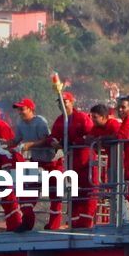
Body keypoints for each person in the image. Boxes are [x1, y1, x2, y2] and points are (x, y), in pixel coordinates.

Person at [38, 92, 95, 229]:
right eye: (59, 102)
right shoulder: (59, 120)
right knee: (74, 193)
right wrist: (54, 142)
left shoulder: (81, 118)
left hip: (86, 160)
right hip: (71, 162)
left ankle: (86, 222)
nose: (62, 104)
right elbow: (53, 136)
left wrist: (72, 142)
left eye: (65, 101)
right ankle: (75, 222)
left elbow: (91, 135)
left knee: (89, 191)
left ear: (72, 102)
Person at [9, 97, 62, 230]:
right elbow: (16, 140)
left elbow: (46, 140)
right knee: (27, 192)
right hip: (35, 161)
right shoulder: (20, 123)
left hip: (51, 162)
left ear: (30, 109)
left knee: (55, 194)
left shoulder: (40, 122)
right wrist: (1, 144)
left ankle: (53, 225)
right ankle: (27, 223)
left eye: (22, 109)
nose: (20, 112)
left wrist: (30, 145)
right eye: (19, 110)